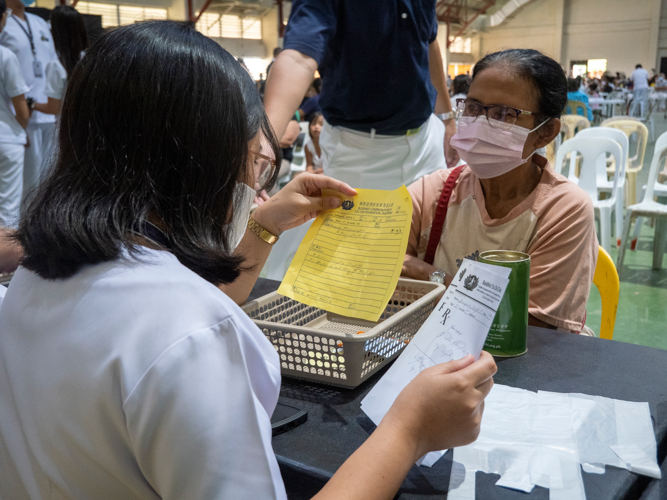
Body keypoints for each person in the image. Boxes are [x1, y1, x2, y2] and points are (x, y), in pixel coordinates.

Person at [0, 22, 496, 500]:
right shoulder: (194, 336)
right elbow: (189, 328)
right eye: (253, 163)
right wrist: (409, 431)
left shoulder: (35, 278)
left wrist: (264, 226)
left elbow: (185, 309)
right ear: (198, 164)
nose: (254, 188)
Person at [402, 49, 598, 333]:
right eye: (473, 107)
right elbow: (384, 271)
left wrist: (435, 279)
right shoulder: (434, 191)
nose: (481, 124)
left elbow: (531, 328)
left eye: (504, 114)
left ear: (546, 132)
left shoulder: (563, 210)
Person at [264, 0, 459, 190]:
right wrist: (264, 147)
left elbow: (428, 41)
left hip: (426, 140)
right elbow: (299, 58)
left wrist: (448, 120)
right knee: (355, 221)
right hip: (358, 150)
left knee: (433, 220)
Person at [0, 0, 57, 195]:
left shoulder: (40, 22)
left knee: (48, 181)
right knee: (24, 187)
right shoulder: (4, 22)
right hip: (19, 116)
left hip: (49, 113)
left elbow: (53, 63)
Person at [0, 0, 29, 228]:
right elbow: (22, 109)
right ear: (3, 18)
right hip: (7, 138)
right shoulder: (6, 56)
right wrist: (22, 129)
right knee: (8, 207)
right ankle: (7, 263)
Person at [33, 5, 88, 116]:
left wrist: (32, 104)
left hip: (66, 127)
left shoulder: (57, 65)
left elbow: (53, 108)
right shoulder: (89, 58)